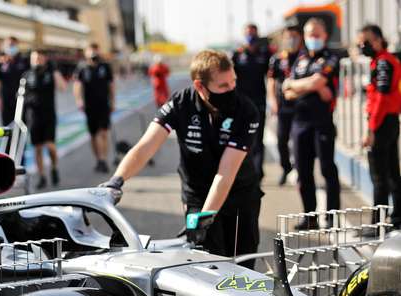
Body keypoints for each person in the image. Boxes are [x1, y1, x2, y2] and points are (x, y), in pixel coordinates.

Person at [99, 50, 261, 260]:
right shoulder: (180, 103)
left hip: (239, 196)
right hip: (196, 195)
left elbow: (226, 173)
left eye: (233, 82)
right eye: (223, 86)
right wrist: (116, 181)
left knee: (242, 270)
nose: (231, 89)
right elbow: (146, 146)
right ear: (199, 86)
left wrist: (206, 217)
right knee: (207, 266)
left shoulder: (246, 111)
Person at [283, 18, 340, 228]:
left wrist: (298, 85)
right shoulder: (300, 58)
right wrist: (311, 86)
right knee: (303, 172)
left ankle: (332, 217)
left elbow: (318, 82)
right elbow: (286, 91)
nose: (312, 38)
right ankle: (310, 217)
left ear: (325, 35)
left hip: (322, 121)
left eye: (317, 34)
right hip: (300, 123)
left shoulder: (331, 56)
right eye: (309, 34)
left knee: (327, 169)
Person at [358, 24, 401, 228]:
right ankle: (397, 218)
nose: (361, 46)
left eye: (365, 42)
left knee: (379, 176)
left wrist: (372, 130)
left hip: (383, 123)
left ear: (377, 40)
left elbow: (382, 98)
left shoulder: (384, 62)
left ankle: (377, 225)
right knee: (392, 172)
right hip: (389, 121)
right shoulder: (382, 61)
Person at [22, 49, 67, 189]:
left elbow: (63, 87)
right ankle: (42, 176)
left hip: (49, 115)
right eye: (34, 58)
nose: (36, 61)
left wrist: (55, 71)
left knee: (50, 146)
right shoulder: (26, 75)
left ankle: (54, 167)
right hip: (33, 117)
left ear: (45, 59)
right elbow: (21, 96)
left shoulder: (51, 73)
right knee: (37, 149)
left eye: (39, 58)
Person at [232, 23, 272, 180]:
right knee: (243, 138)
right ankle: (245, 170)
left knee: (258, 139)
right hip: (241, 104)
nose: (250, 36)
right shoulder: (238, 54)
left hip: (259, 103)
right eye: (248, 33)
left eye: (253, 33)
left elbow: (273, 73)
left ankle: (258, 172)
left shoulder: (264, 54)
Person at [268, 25, 303, 186]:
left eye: (294, 36)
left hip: (301, 106)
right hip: (283, 106)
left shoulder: (304, 58)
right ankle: (286, 168)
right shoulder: (277, 59)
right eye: (288, 36)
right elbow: (271, 81)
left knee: (299, 141)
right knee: (281, 139)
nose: (291, 39)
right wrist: (273, 101)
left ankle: (300, 169)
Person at [74, 43, 115, 173]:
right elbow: (77, 85)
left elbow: (111, 84)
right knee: (93, 134)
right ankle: (98, 159)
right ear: (86, 52)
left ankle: (103, 159)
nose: (93, 53)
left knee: (103, 132)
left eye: (95, 50)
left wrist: (113, 101)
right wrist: (79, 100)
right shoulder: (82, 68)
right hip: (90, 106)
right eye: (90, 51)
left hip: (104, 105)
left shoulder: (105, 66)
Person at [0, 37, 29, 126]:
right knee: (6, 123)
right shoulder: (0, 63)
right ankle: (8, 140)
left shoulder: (24, 60)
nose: (11, 47)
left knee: (21, 122)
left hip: (21, 98)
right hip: (6, 98)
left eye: (13, 45)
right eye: (9, 45)